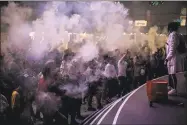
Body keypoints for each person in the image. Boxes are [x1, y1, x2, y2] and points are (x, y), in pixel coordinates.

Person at [165, 22, 180, 95]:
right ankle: (171, 87)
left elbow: (172, 49)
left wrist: (167, 58)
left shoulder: (173, 35)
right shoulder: (174, 34)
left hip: (172, 57)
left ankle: (174, 89)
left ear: (170, 28)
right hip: (171, 57)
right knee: (171, 73)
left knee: (172, 73)